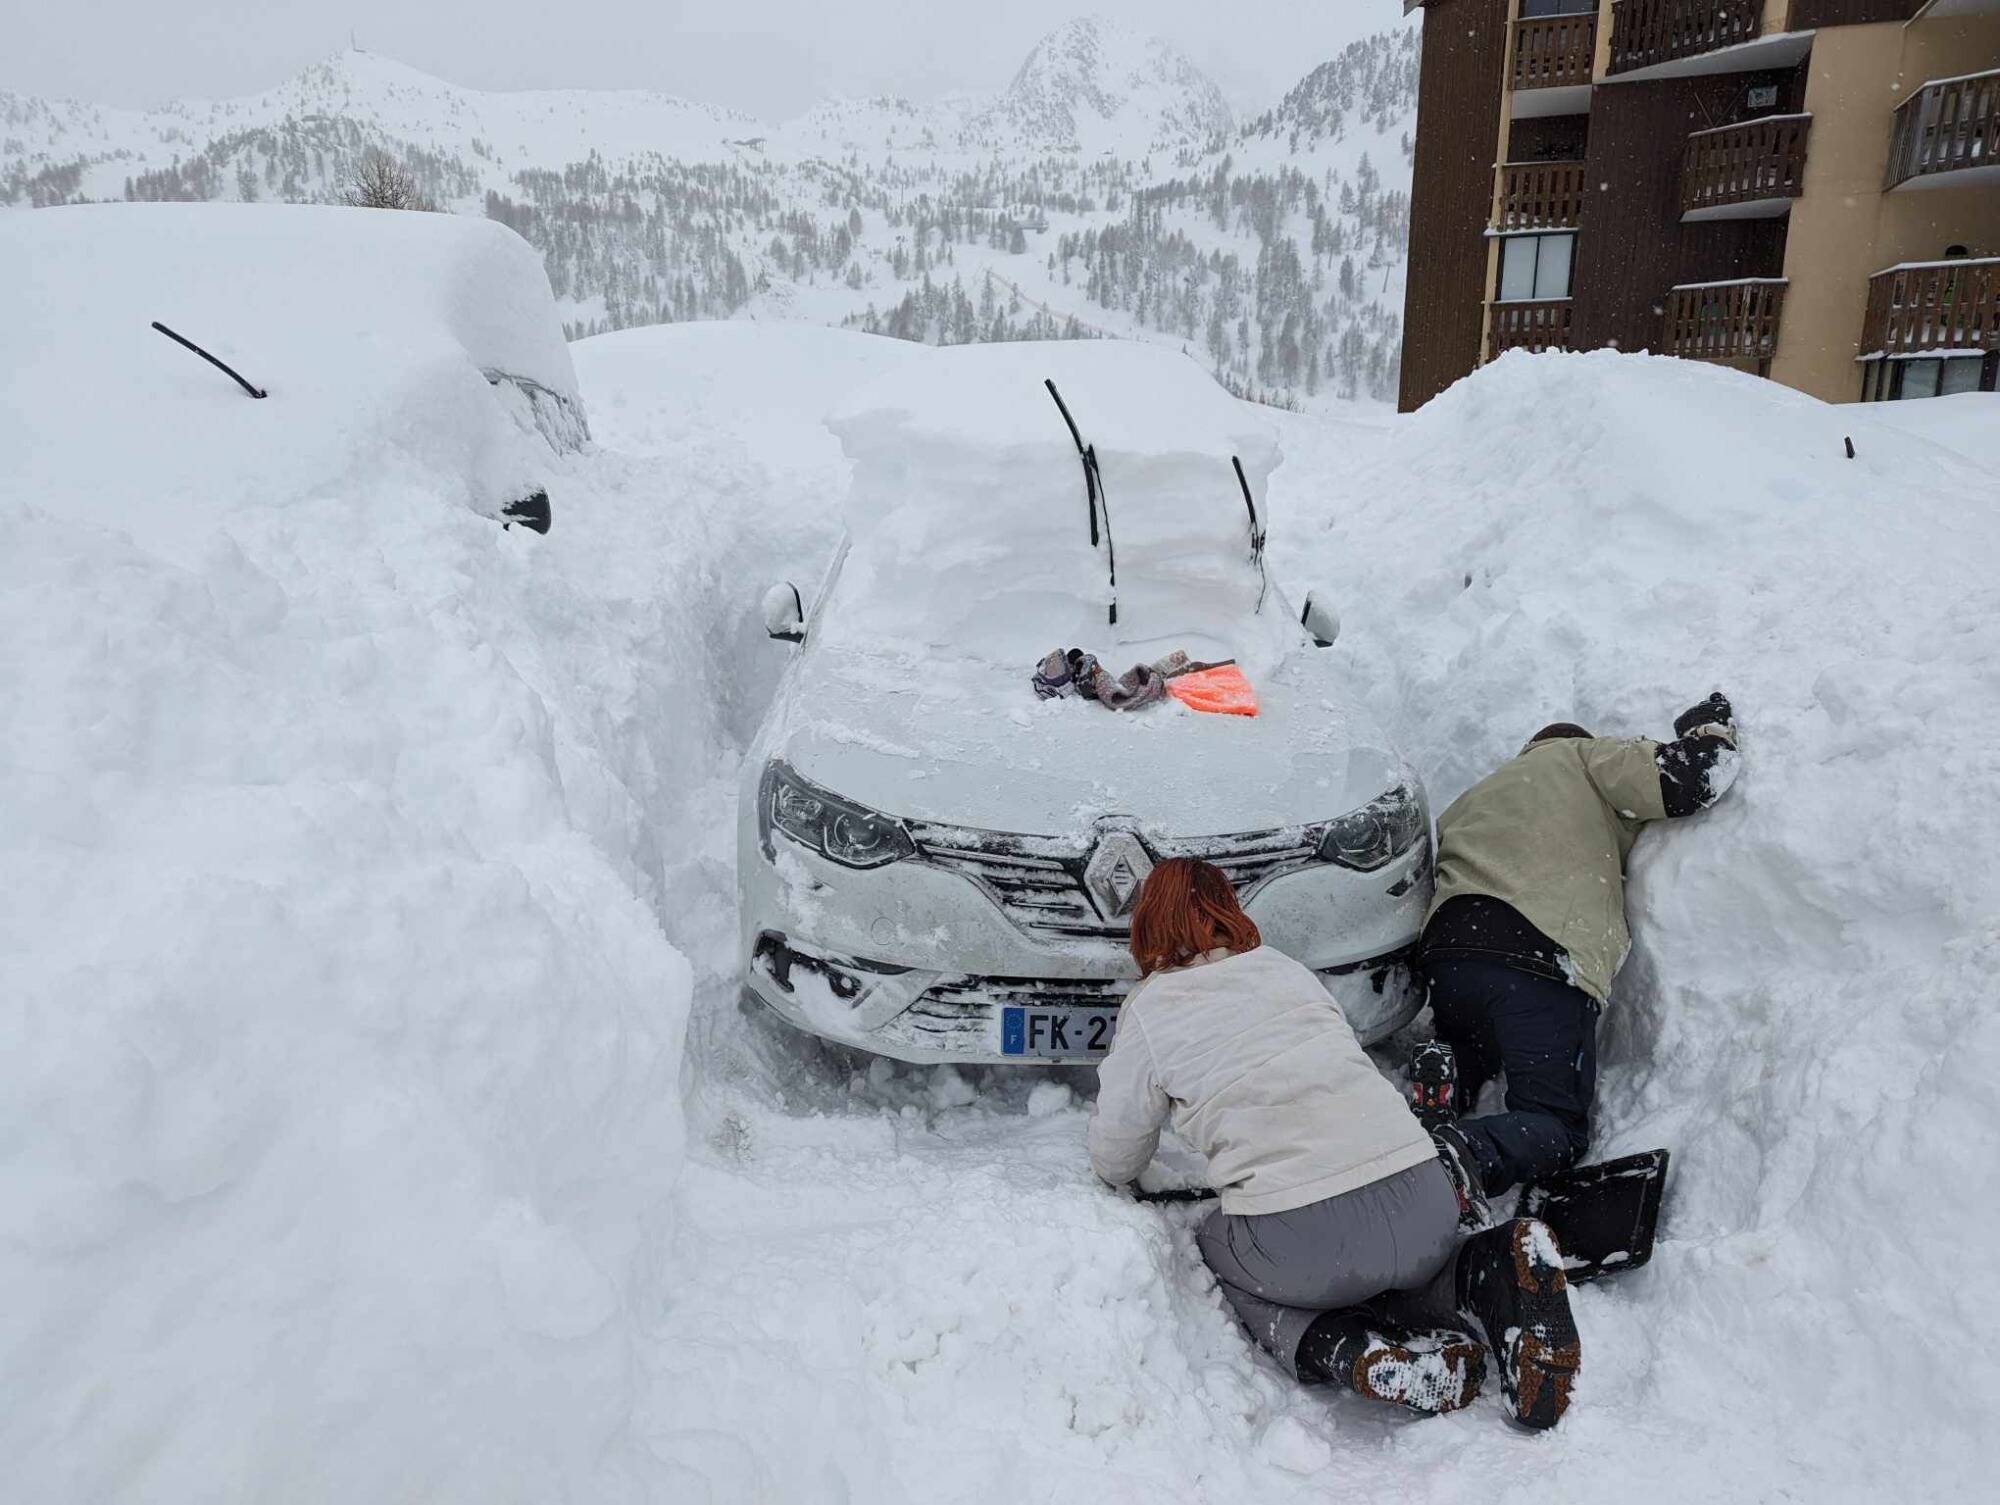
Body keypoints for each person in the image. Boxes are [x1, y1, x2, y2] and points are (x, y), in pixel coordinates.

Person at [1088, 858, 1581, 1427]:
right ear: (1228, 909)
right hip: (1424, 1195)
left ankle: (1352, 1351)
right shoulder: (1284, 970)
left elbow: (1116, 1154)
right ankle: (1486, 1268)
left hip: (1306, 1238)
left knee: (1216, 1245)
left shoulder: (1151, 1008)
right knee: (1401, 1268)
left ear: (1147, 926)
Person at [1415, 693, 1741, 1199]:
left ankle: (1445, 1082)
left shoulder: (1473, 796)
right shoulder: (1586, 758)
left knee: (1476, 1049)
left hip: (1450, 953)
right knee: (1556, 1126)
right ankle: (1458, 1157)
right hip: (1536, 953)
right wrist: (1707, 732)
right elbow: (1691, 780)